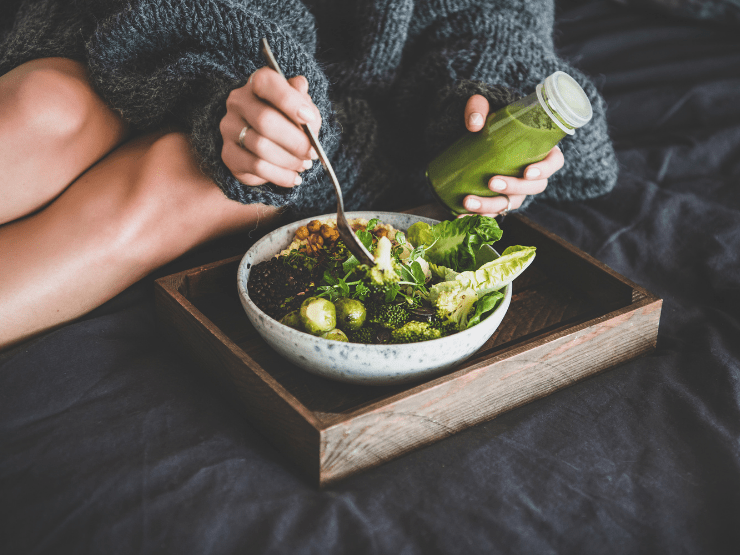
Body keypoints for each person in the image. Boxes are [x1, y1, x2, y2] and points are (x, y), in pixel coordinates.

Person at [0, 0, 618, 349]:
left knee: (171, 185)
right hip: (148, 24)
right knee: (44, 112)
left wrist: (486, 108)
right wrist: (241, 68)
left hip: (340, 111)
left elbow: (487, 20)